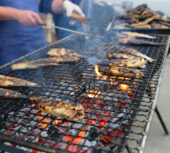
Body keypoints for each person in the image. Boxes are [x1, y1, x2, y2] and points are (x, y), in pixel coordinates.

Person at [0, 0, 85, 65]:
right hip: (9, 52)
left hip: (38, 46)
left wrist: (64, 5)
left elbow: (45, 3)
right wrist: (16, 14)